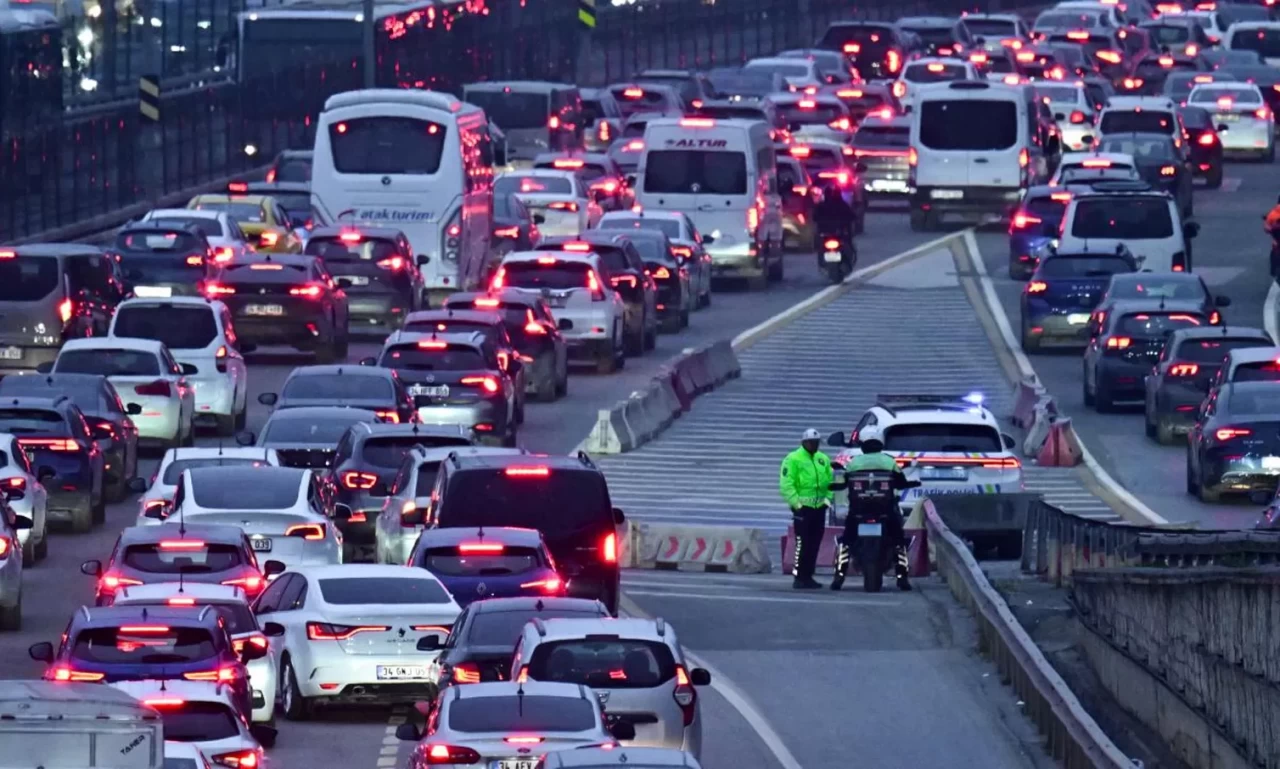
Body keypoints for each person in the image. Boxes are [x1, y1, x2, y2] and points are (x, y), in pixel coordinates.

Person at [830, 428, 918, 592]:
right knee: (899, 541)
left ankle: (839, 577)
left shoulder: (854, 462)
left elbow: (843, 482)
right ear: (880, 444)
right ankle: (902, 578)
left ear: (863, 444)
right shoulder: (889, 462)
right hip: (886, 511)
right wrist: (911, 483)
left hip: (858, 511)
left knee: (846, 540)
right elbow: (901, 482)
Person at [779, 428, 835, 590]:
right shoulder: (793, 459)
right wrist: (797, 506)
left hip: (819, 509)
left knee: (814, 544)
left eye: (817, 443)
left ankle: (808, 576)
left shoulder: (822, 459)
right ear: (804, 442)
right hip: (802, 510)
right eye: (812, 443)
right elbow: (786, 485)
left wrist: (827, 501)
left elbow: (830, 482)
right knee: (802, 543)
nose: (815, 445)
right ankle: (799, 577)